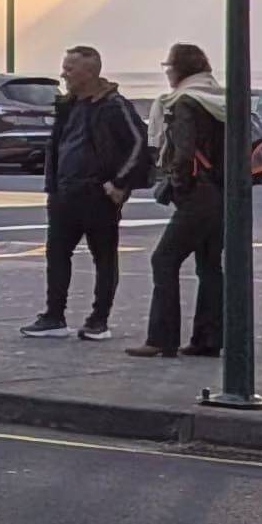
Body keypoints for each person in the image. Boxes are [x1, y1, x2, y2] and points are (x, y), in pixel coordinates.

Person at [25, 44, 148, 339]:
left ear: (89, 72)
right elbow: (58, 146)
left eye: (70, 69)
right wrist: (52, 186)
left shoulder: (113, 105)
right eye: (64, 67)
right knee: (57, 255)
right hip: (64, 194)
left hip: (97, 196)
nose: (64, 74)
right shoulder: (67, 105)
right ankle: (54, 316)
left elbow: (139, 144)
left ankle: (98, 319)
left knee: (103, 256)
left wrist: (118, 183)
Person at [133, 42, 228, 359]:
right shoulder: (220, 97)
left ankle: (162, 338)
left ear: (179, 69)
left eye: (169, 66)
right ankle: (209, 338)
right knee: (210, 266)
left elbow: (184, 152)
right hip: (225, 192)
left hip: (199, 193)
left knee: (164, 259)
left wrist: (177, 185)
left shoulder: (185, 102)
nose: (168, 72)